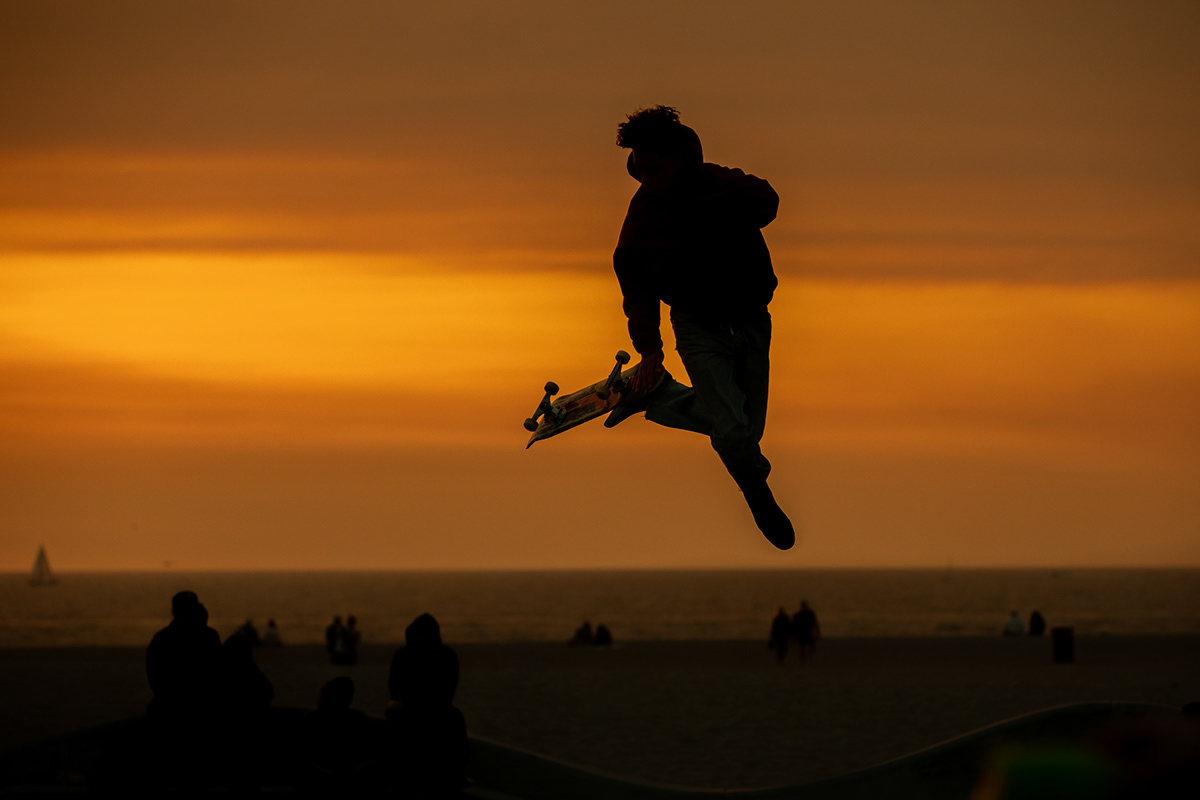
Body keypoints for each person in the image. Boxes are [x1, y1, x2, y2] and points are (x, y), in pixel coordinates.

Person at [606, 105, 794, 550]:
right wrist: (650, 350)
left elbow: (768, 203)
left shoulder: (717, 185)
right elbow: (634, 283)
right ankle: (757, 493)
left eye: (655, 168)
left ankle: (659, 397)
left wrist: (721, 201)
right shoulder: (644, 215)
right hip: (696, 326)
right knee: (733, 435)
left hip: (750, 322)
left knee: (746, 432)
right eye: (639, 168)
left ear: (678, 160)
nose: (646, 178)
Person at [386, 614, 468, 797]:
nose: (421, 639)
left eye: (424, 634)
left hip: (436, 707)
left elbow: (447, 689)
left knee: (453, 720)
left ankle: (453, 775)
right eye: (418, 635)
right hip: (408, 706)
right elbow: (394, 686)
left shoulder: (446, 656)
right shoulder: (403, 655)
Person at [146, 590, 222, 721]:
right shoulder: (209, 636)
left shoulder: (162, 638)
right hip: (205, 705)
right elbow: (219, 671)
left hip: (171, 706)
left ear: (174, 612)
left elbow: (154, 676)